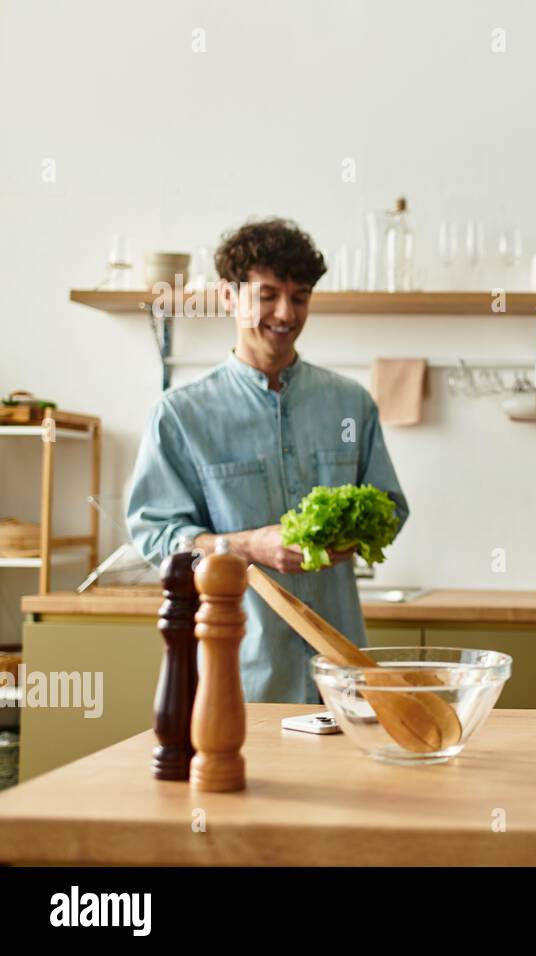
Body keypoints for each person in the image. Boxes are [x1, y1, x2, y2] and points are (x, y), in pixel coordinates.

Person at [126, 218, 409, 703]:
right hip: (240, 675)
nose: (285, 313)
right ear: (230, 297)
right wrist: (249, 546)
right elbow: (160, 540)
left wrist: (351, 537)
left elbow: (390, 507)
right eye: (267, 295)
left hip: (341, 673)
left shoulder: (350, 404)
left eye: (299, 297)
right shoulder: (180, 414)